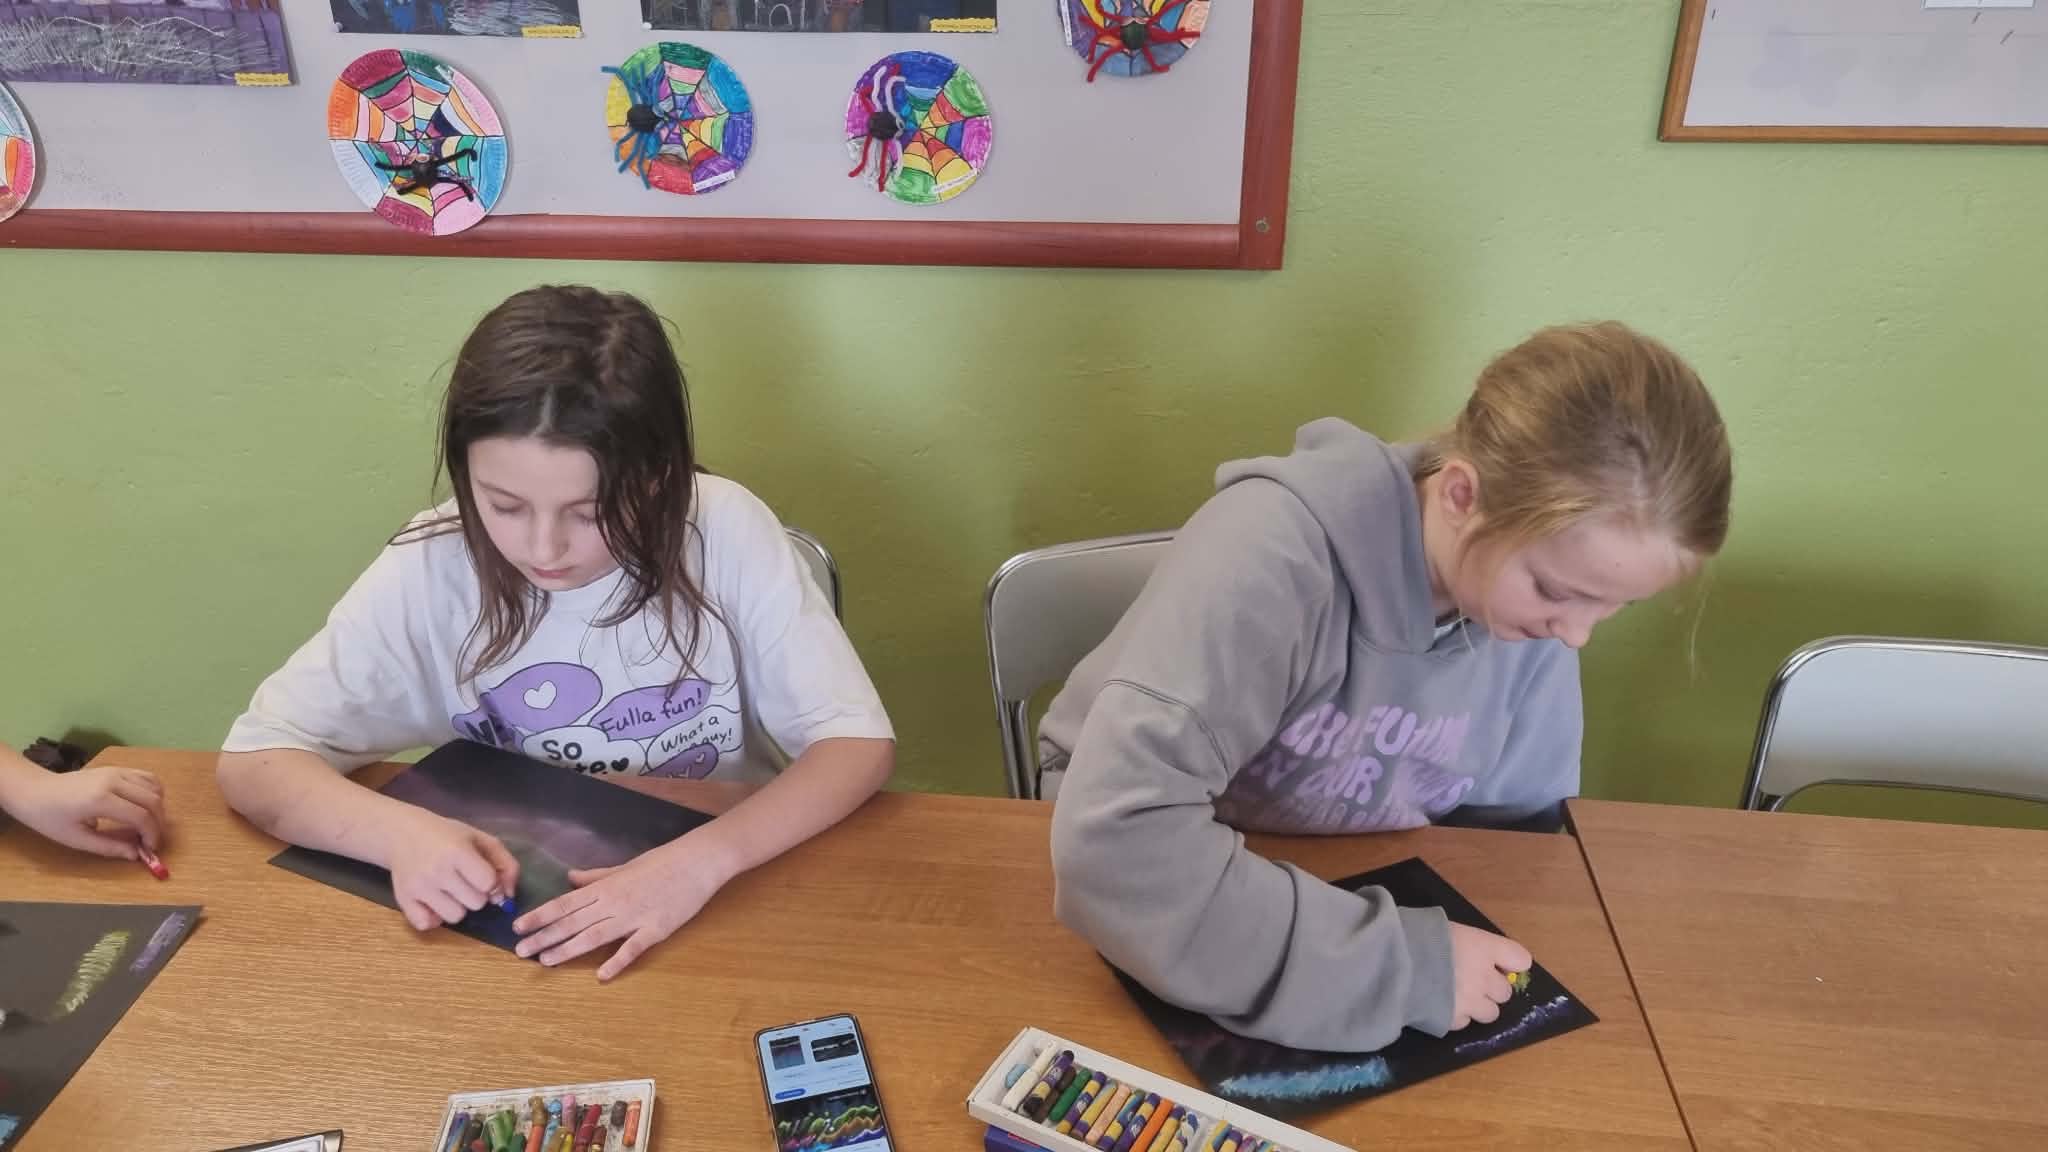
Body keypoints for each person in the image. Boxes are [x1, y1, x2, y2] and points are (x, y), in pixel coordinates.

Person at [1043, 321, 1733, 1051]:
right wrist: (1399, 968)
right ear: (1461, 495)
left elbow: (1520, 845)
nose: (1577, 634)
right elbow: (1115, 845)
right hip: (1143, 870)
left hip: (1337, 884)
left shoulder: (1527, 615)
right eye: (1558, 591)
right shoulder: (1269, 555)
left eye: (1613, 604)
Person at [218, 286, 895, 979]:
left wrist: (698, 864)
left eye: (589, 511)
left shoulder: (724, 529)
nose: (544, 548)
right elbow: (256, 762)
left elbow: (856, 747)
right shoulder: (431, 562)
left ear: (659, 478)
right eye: (505, 505)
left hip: (726, 890)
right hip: (517, 925)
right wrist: (400, 837)